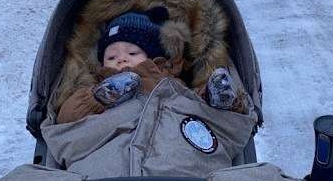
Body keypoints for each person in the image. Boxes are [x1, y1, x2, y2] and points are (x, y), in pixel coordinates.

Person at [56, 7, 248, 125]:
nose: (121, 60)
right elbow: (66, 118)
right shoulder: (94, 86)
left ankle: (221, 100)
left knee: (202, 111)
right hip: (114, 135)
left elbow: (190, 101)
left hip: (171, 134)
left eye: (132, 53)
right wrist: (97, 98)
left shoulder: (168, 80)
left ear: (154, 57)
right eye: (111, 56)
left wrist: (207, 94)